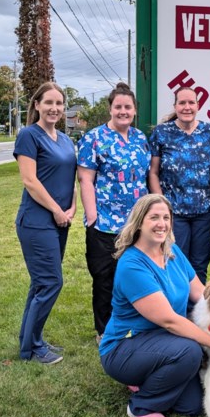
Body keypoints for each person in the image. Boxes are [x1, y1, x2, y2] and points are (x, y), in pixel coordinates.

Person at [99, 194, 210, 417]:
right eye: (154, 217)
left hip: (163, 341)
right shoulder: (132, 265)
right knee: (190, 351)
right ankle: (141, 404)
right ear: (139, 222)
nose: (162, 224)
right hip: (124, 347)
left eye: (166, 217)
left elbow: (201, 294)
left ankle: (147, 378)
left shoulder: (172, 251)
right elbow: (169, 321)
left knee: (192, 407)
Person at [78, 83, 150, 341]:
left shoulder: (141, 138)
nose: (123, 111)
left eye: (127, 107)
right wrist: (92, 216)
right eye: (118, 107)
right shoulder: (94, 138)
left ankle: (135, 324)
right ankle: (105, 330)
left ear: (134, 111)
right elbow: (86, 179)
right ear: (110, 109)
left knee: (135, 276)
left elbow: (146, 176)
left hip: (137, 223)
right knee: (105, 278)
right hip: (105, 223)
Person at [13, 82, 77, 364]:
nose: (54, 108)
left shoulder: (64, 139)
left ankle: (29, 342)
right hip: (37, 220)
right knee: (50, 282)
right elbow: (29, 180)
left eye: (59, 104)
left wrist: (73, 206)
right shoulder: (29, 135)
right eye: (48, 102)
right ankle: (34, 347)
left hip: (61, 220)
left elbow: (69, 177)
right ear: (36, 105)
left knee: (40, 283)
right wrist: (55, 210)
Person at [147, 87, 210, 284]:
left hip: (204, 213)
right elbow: (153, 172)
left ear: (198, 105)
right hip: (174, 213)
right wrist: (162, 206)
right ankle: (173, 311)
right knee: (174, 263)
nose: (187, 107)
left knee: (199, 266)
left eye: (191, 103)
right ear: (175, 106)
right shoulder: (162, 133)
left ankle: (196, 313)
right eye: (182, 103)